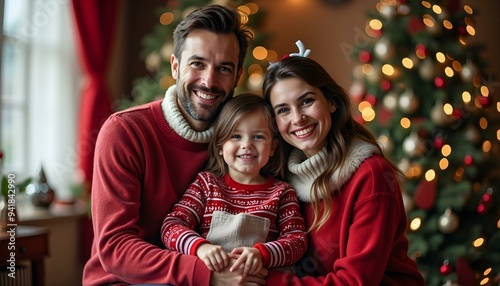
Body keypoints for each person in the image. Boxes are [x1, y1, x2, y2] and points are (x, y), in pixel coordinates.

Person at [82, 5, 268, 286]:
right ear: (175, 65)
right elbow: (115, 246)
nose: (209, 81)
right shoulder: (125, 131)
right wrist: (208, 276)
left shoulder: (244, 147)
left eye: (224, 69)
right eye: (197, 63)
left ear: (238, 76)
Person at [261, 41, 425, 285]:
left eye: (306, 101)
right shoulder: (279, 179)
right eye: (283, 110)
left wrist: (263, 281)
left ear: (331, 102)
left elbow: (355, 282)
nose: (297, 118)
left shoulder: (371, 174)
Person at [161, 93, 307, 278]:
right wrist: (200, 247)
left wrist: (263, 254)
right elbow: (172, 226)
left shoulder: (282, 193)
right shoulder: (206, 184)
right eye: (236, 136)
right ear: (220, 146)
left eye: (258, 137)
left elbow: (297, 240)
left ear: (272, 147)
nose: (247, 144)